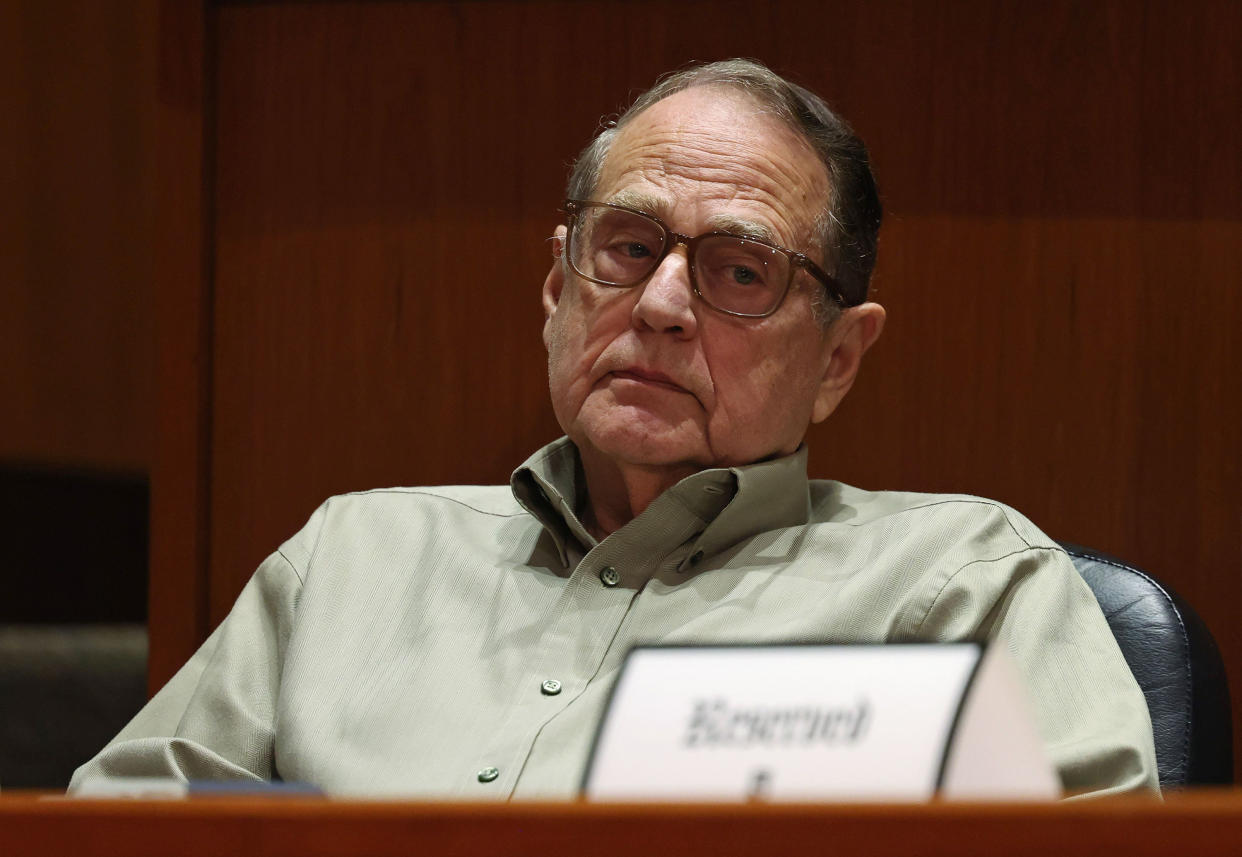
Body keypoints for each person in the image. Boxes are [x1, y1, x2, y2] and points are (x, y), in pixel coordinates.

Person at [71, 59, 1158, 798]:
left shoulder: (967, 580)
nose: (662, 305)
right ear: (557, 289)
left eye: (739, 272)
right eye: (628, 247)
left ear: (837, 358)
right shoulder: (348, 560)